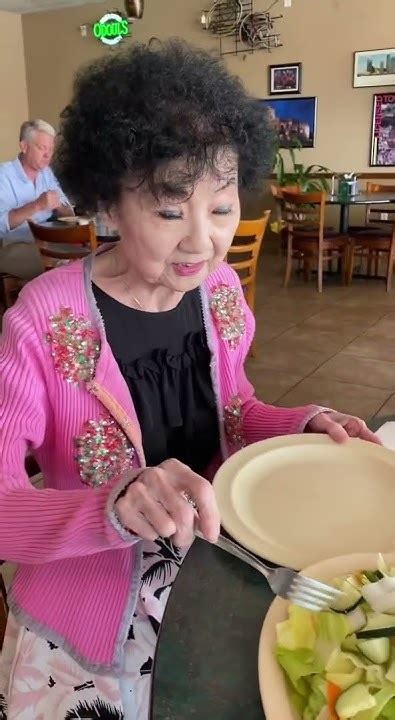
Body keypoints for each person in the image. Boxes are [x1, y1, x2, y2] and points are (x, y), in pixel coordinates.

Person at [0, 41, 379, 720]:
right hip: (87, 615)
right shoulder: (43, 318)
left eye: (223, 206)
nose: (203, 241)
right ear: (110, 206)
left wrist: (300, 422)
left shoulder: (221, 293)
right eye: (171, 211)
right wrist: (112, 509)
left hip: (216, 572)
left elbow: (234, 409)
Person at [0, 119, 72, 280]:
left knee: (87, 257)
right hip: (12, 246)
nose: (48, 155)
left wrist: (61, 206)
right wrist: (37, 205)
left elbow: (69, 211)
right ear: (24, 146)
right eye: (42, 148)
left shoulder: (46, 173)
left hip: (48, 241)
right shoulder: (4, 176)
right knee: (63, 267)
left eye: (51, 149)